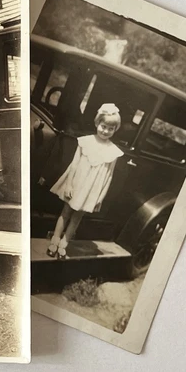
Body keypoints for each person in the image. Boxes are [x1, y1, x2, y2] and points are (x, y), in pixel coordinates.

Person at [47, 103, 124, 259]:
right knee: (66, 212)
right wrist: (69, 184)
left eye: (110, 129)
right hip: (76, 183)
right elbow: (74, 164)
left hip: (91, 189)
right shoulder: (85, 141)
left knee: (77, 217)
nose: (105, 131)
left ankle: (64, 244)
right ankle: (55, 240)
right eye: (103, 126)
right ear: (97, 123)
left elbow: (109, 176)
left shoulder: (113, 152)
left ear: (115, 130)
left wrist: (100, 197)